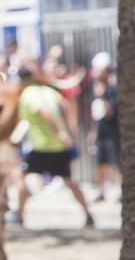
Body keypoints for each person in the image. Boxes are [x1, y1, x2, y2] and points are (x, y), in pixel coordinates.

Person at [14, 65, 95, 228]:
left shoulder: (27, 94)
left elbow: (45, 112)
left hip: (41, 146)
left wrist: (60, 133)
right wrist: (69, 132)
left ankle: (20, 215)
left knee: (22, 178)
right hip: (59, 147)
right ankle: (88, 214)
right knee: (70, 182)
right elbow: (66, 107)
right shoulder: (50, 92)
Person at [89, 52, 120, 202]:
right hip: (101, 131)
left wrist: (102, 96)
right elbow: (97, 114)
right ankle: (100, 190)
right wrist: (93, 132)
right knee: (100, 162)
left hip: (113, 131)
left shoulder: (112, 90)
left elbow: (110, 112)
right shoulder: (96, 89)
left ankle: (120, 188)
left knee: (116, 161)